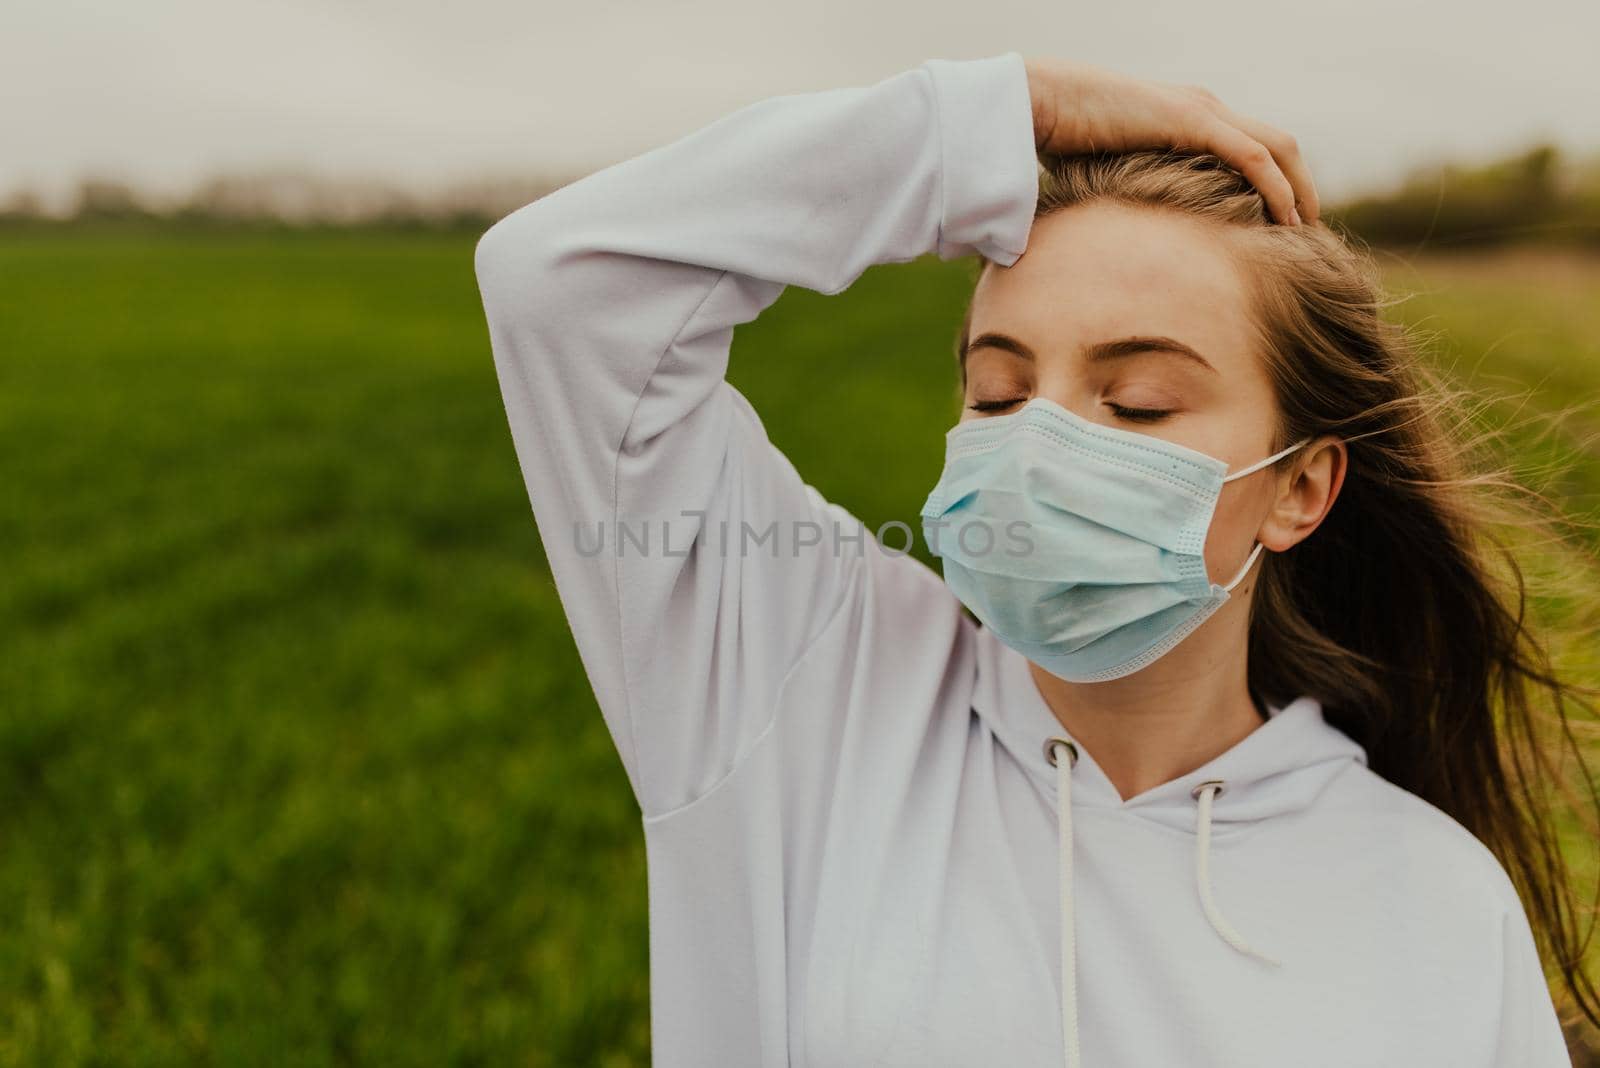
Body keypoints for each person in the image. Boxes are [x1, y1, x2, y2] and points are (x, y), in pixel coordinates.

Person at [471, 50, 1597, 1066]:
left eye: (1138, 402)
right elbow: (559, 284)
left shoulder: (1439, 901)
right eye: (997, 392)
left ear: (1298, 489)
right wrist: (1008, 120)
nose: (1037, 449)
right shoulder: (810, 691)